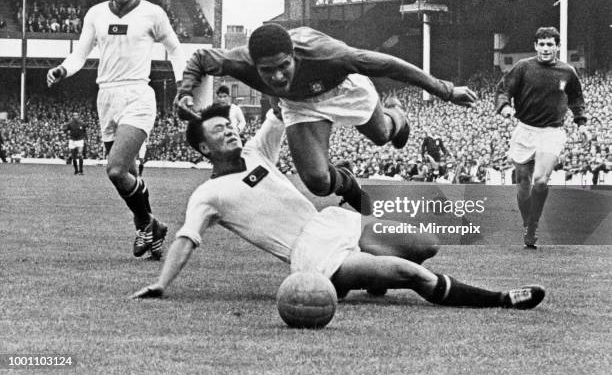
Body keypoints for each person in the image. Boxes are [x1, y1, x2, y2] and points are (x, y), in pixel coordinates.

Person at [132, 103, 545, 311]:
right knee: (412, 273)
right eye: (219, 131)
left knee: (427, 245)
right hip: (312, 255)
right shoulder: (207, 196)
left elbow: (282, 109)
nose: (230, 132)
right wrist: (162, 284)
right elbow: (187, 239)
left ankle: (367, 279)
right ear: (205, 147)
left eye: (229, 125)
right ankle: (502, 300)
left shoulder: (258, 153)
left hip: (333, 223)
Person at [177, 23, 477, 216]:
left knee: (382, 135)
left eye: (284, 66)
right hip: (300, 105)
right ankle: (348, 185)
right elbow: (200, 58)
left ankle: (396, 116)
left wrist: (447, 91)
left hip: (343, 90)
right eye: (268, 71)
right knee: (318, 182)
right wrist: (185, 92)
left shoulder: (330, 56)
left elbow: (392, 66)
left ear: (294, 55)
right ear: (254, 65)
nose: (278, 76)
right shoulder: (239, 61)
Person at [46, 0, 186, 260]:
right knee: (129, 173)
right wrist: (61, 70)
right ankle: (153, 228)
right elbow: (80, 55)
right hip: (105, 97)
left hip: (137, 95)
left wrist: (183, 85)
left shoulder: (152, 13)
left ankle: (147, 225)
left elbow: (176, 49)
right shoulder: (96, 14)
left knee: (115, 170)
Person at [495, 27, 590, 249]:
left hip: (551, 132)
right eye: (542, 44)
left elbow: (577, 98)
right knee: (523, 183)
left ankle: (533, 228)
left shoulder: (567, 72)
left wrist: (582, 124)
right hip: (525, 130)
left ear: (557, 46)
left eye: (550, 44)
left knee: (540, 179)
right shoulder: (523, 68)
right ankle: (527, 221)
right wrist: (505, 107)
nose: (546, 48)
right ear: (536, 46)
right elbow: (503, 90)